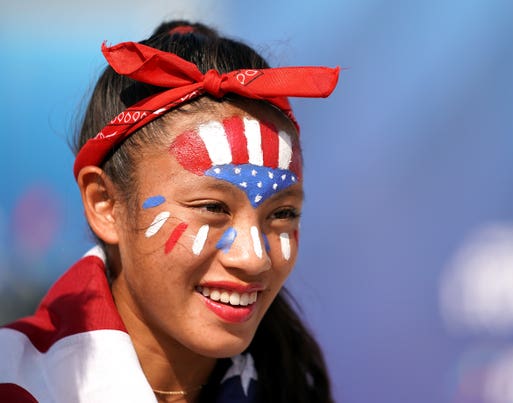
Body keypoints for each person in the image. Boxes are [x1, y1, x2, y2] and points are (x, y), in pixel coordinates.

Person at [0, 20, 339, 403]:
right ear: (104, 204)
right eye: (212, 207)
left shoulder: (293, 389)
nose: (254, 259)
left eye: (283, 214)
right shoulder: (15, 386)